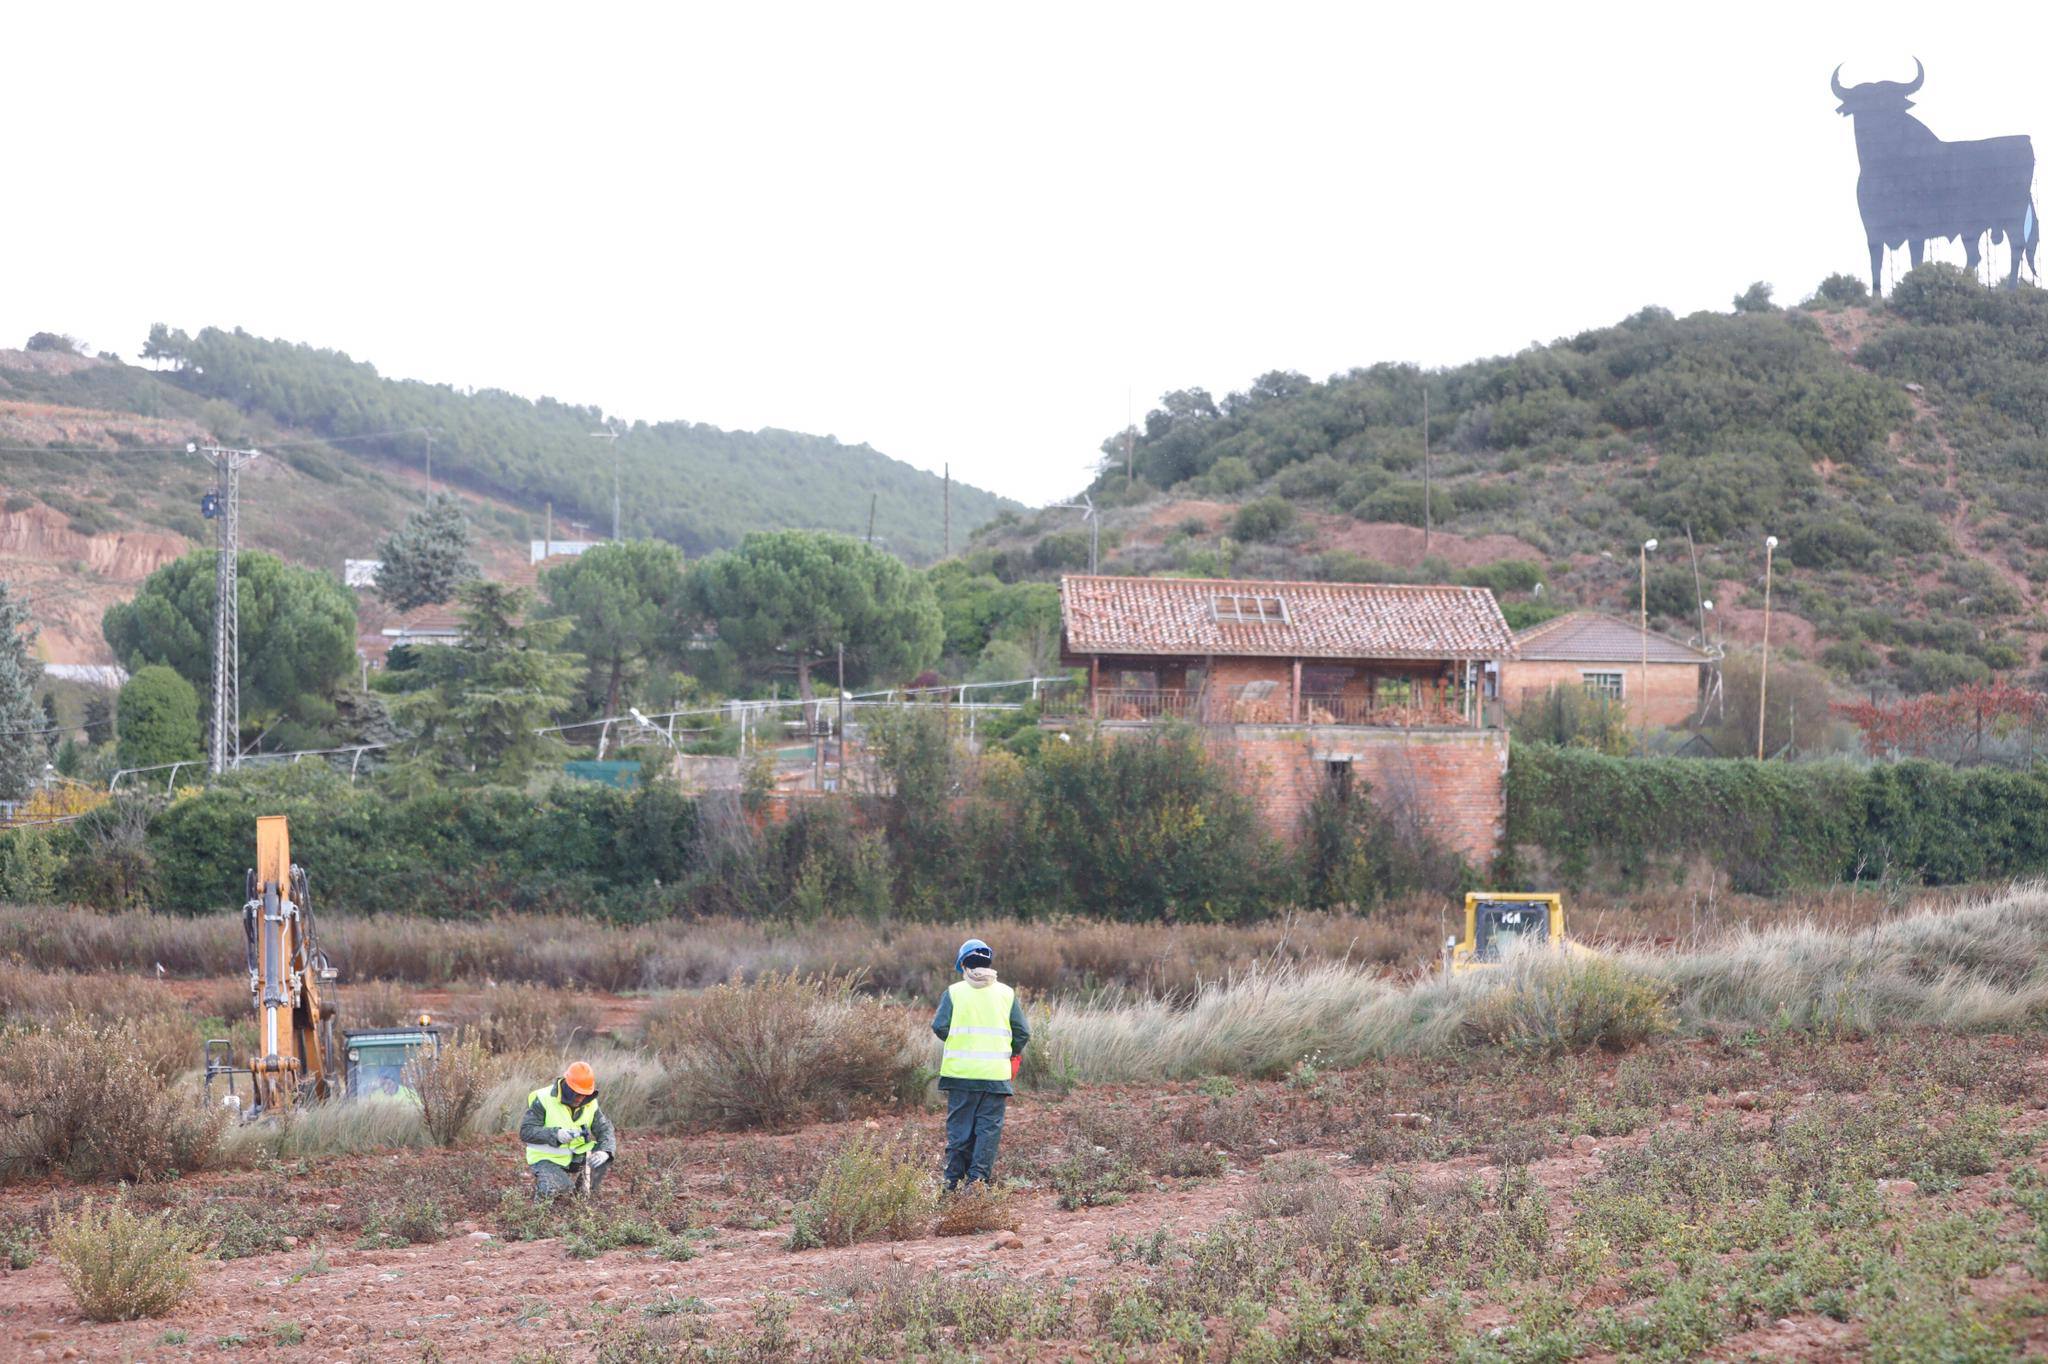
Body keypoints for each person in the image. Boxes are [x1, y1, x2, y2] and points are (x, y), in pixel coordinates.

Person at [931, 937, 1030, 1192]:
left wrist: (961, 1041)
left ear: (963, 964)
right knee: (987, 1132)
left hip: (959, 1075)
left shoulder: (954, 992)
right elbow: (1022, 1032)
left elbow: (940, 1026)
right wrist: (1010, 1052)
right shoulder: (1006, 994)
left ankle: (951, 1187)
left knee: (959, 1134)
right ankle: (977, 1185)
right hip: (995, 1077)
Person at [520, 1060, 616, 1201]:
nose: (581, 1098)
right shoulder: (544, 1099)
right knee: (559, 1185)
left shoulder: (590, 1103)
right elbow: (526, 1131)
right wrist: (556, 1134)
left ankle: (581, 1196)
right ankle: (539, 1209)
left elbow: (605, 1129)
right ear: (567, 1086)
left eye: (585, 1094)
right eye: (577, 1093)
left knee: (601, 1158)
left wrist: (605, 1151)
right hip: (546, 1158)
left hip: (576, 1158)